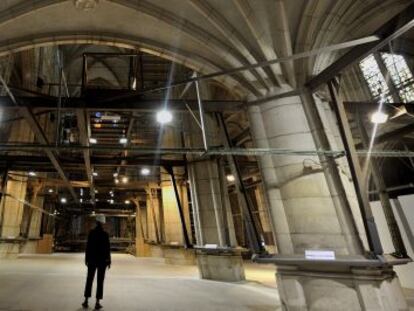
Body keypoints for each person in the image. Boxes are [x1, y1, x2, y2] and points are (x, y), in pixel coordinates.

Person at [82, 214, 111, 310]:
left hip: (92, 260)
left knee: (89, 279)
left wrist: (86, 259)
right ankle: (97, 303)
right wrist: (109, 261)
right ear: (103, 223)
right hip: (102, 261)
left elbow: (88, 247)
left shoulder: (91, 233)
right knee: (100, 281)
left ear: (96, 222)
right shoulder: (105, 234)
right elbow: (107, 249)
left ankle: (86, 301)